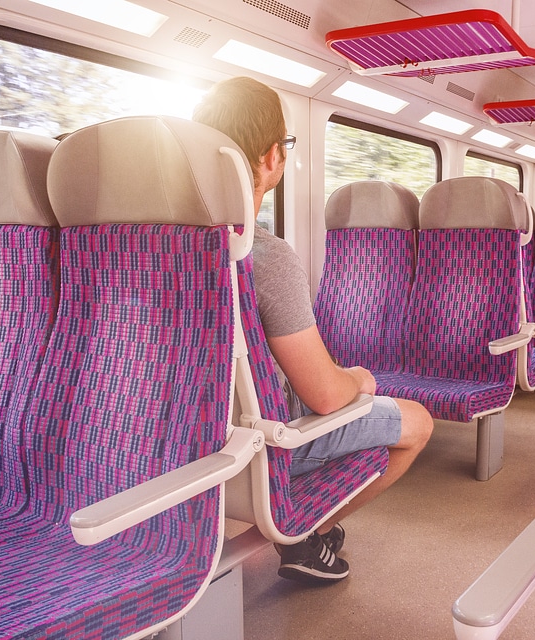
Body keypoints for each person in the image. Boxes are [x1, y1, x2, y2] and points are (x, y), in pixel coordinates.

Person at [193, 77, 433, 585]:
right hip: (263, 444)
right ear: (270, 158)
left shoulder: (149, 250)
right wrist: (361, 379)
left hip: (178, 438)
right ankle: (305, 532)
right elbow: (324, 397)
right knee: (416, 423)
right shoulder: (268, 256)